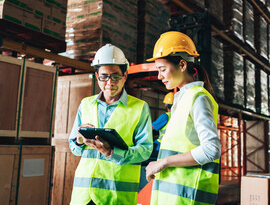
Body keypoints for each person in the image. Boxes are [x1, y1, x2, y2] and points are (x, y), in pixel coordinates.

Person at [68, 44, 153, 205]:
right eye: (104, 76)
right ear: (97, 75)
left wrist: (112, 152)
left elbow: (145, 150)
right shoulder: (85, 104)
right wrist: (79, 140)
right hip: (84, 195)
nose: (109, 82)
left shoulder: (140, 108)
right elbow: (74, 148)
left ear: (125, 76)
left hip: (115, 196)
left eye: (115, 76)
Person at [145, 31, 221, 205]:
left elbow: (211, 149)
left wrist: (163, 162)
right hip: (174, 197)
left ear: (182, 64)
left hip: (188, 197)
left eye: (162, 69)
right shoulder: (182, 99)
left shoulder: (198, 98)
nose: (159, 76)